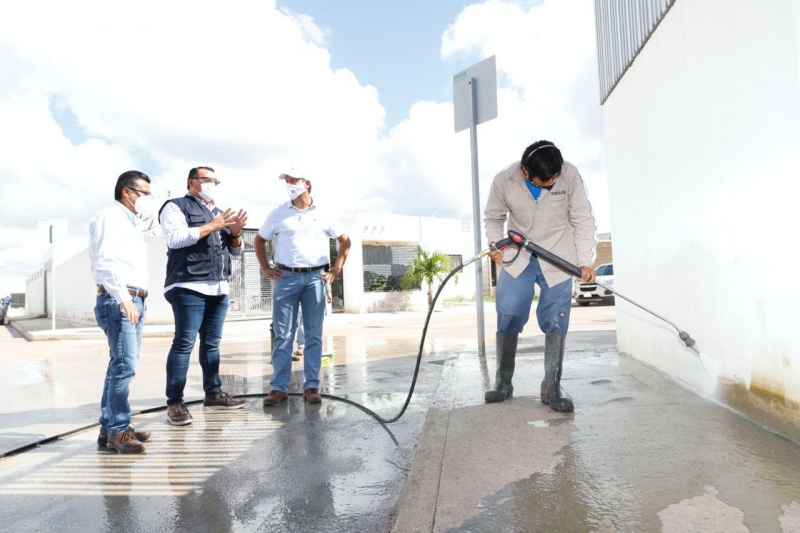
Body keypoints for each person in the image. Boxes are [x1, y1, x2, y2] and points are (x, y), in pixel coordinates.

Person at [484, 141, 597, 412]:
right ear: (525, 171)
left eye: (553, 178)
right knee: (508, 312)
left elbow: (583, 218)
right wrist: (494, 244)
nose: (550, 182)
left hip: (559, 256)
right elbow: (493, 216)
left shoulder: (569, 174)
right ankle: (503, 382)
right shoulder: (504, 180)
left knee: (556, 318)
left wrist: (585, 262)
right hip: (518, 255)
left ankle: (552, 386)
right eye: (544, 181)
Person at [159, 166, 249, 426]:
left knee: (212, 345)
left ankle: (213, 393)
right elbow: (175, 239)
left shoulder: (220, 213)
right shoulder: (175, 207)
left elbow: (236, 253)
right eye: (206, 179)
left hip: (218, 288)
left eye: (214, 180)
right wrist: (212, 226)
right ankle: (175, 403)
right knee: (184, 344)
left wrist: (235, 233)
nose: (211, 184)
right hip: (188, 286)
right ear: (191, 182)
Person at [255, 168, 351, 406]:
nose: (289, 184)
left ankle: (311, 386)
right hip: (285, 278)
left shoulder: (325, 213)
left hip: (315, 280)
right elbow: (259, 239)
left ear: (307, 183)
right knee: (283, 335)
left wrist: (336, 270)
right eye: (286, 181)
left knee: (313, 336)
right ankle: (278, 388)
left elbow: (345, 241)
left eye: (294, 180)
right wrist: (266, 268)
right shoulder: (278, 213)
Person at [89, 170, 155, 453]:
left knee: (119, 366)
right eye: (145, 194)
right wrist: (123, 298)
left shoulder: (133, 222)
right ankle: (118, 432)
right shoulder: (110, 217)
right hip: (120, 300)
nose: (148, 200)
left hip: (133, 298)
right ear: (128, 192)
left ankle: (110, 429)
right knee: (124, 366)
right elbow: (105, 261)